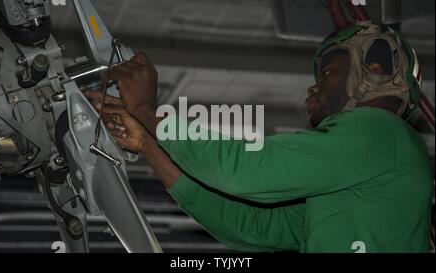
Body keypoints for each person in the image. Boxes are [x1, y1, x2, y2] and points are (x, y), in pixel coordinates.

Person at [84, 22, 433, 253]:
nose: (314, 86)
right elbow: (251, 227)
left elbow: (246, 169)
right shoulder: (362, 173)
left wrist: (147, 109)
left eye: (327, 71)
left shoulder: (382, 133)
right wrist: (148, 142)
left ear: (374, 67)